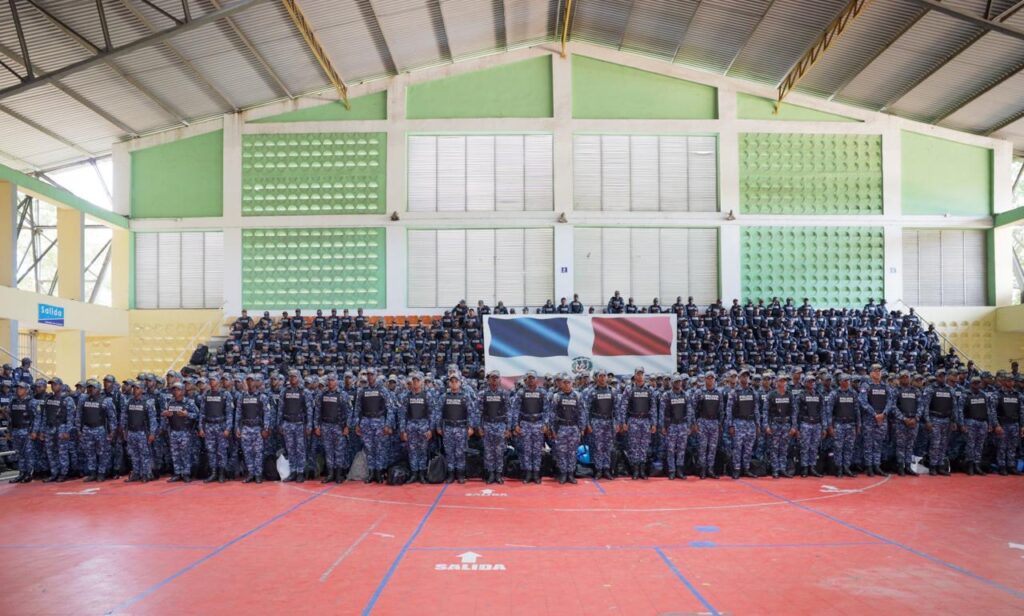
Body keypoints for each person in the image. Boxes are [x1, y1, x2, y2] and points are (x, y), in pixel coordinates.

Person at [352, 367, 395, 485]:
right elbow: (357, 409)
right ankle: (371, 473)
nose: (370, 376)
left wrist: (387, 424)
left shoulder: (382, 390)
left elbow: (390, 409)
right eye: (368, 375)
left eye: (372, 374)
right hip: (366, 422)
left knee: (379, 448)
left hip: (379, 422)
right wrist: (357, 424)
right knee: (369, 449)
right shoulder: (362, 391)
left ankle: (379, 473)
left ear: (376, 375)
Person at [435, 374, 477, 484]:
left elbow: (471, 412)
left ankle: (460, 474)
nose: (454, 384)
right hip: (448, 428)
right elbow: (438, 412)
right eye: (452, 381)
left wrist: (471, 427)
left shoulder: (465, 397)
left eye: (456, 381)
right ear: (449, 383)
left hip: (461, 428)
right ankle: (451, 474)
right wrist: (438, 426)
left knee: (460, 452)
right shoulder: (443, 397)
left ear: (460, 383)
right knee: (449, 452)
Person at [616, 367, 657, 479]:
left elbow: (653, 408)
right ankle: (635, 470)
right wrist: (623, 422)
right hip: (633, 420)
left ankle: (642, 470)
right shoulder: (629, 389)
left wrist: (654, 423)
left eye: (641, 374)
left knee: (644, 446)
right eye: (638, 374)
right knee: (633, 446)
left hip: (645, 420)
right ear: (634, 375)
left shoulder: (650, 390)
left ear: (644, 375)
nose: (640, 376)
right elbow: (623, 407)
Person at [545, 373, 586, 484]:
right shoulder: (556, 397)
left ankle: (570, 474)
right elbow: (552, 414)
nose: (567, 385)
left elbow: (582, 412)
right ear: (561, 384)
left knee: (572, 452)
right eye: (565, 383)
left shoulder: (577, 396)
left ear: (572, 383)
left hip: (574, 428)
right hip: (561, 428)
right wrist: (552, 429)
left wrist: (582, 428)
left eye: (569, 382)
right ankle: (563, 474)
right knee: (561, 452)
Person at [920, 369, 960, 476]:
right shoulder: (930, 389)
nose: (942, 378)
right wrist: (927, 420)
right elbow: (925, 406)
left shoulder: (950, 389)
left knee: (944, 444)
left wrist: (954, 421)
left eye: (944, 376)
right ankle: (933, 466)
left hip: (947, 420)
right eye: (940, 376)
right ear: (936, 377)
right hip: (934, 419)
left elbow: (954, 406)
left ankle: (940, 465)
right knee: (935, 444)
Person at [315, 373, 352, 484]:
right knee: (328, 451)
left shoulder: (343, 395)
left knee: (339, 451)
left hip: (338, 426)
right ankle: (330, 474)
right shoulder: (322, 394)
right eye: (329, 380)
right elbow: (317, 411)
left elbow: (349, 412)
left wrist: (347, 426)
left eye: (332, 380)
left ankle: (338, 474)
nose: (330, 382)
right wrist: (317, 426)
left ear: (336, 381)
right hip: (325, 425)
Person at [76, 380, 116, 482]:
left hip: (100, 429)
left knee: (102, 452)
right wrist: (78, 429)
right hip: (87, 429)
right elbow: (79, 415)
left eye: (93, 387)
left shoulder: (106, 401)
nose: (90, 389)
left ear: (98, 389)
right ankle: (92, 473)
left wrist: (112, 432)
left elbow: (112, 417)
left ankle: (101, 473)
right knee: (89, 452)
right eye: (89, 387)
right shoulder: (83, 400)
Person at [477, 370, 513, 485]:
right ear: (488, 380)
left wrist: (508, 428)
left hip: (500, 425)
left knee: (499, 451)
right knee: (488, 451)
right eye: (492, 378)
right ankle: (491, 473)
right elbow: (478, 412)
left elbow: (508, 412)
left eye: (496, 378)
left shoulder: (504, 394)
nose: (494, 380)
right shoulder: (483, 394)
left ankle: (498, 474)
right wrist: (479, 427)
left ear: (499, 380)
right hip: (487, 425)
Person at [397, 372, 433, 484]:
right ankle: (414, 473)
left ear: (422, 382)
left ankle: (422, 474)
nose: (415, 383)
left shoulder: (427, 396)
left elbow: (432, 414)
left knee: (423, 451)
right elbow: (402, 415)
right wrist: (403, 430)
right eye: (414, 381)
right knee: (412, 451)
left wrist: (430, 429)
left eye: (417, 381)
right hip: (410, 426)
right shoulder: (406, 396)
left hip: (423, 426)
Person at [859, 364, 894, 477]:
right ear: (870, 373)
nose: (878, 373)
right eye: (875, 371)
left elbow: (890, 401)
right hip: (870, 419)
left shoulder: (885, 386)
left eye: (879, 371)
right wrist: (875, 414)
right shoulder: (866, 386)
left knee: (879, 444)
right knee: (868, 444)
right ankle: (869, 467)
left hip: (882, 418)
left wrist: (884, 413)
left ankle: (877, 466)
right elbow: (863, 402)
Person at [726, 369, 761, 479]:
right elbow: (729, 410)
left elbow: (756, 410)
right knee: (737, 447)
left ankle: (746, 468)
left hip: (750, 423)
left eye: (747, 376)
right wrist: (730, 425)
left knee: (749, 448)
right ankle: (737, 469)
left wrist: (757, 424)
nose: (745, 378)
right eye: (743, 376)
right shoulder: (734, 392)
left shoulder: (753, 392)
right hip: (738, 422)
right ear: (739, 378)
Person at [583, 369, 619, 480]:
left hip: (609, 422)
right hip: (596, 421)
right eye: (600, 376)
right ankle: (598, 469)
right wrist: (587, 424)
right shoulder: (591, 392)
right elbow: (586, 409)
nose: (603, 378)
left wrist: (617, 422)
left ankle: (606, 469)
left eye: (604, 376)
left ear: (607, 377)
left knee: (608, 446)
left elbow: (617, 408)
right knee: (598, 447)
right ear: (597, 378)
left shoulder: (613, 391)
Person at [512, 371, 547, 484]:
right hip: (525, 424)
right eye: (529, 378)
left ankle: (536, 473)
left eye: (533, 378)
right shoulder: (521, 393)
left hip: (538, 424)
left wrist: (545, 424)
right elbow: (515, 409)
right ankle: (527, 473)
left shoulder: (542, 392)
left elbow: (547, 409)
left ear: (537, 380)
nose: (531, 380)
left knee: (537, 450)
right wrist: (515, 425)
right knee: (526, 450)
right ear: (526, 380)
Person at [279, 369, 313, 483]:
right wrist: (280, 423)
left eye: (294, 376)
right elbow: (281, 409)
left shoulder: (305, 392)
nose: (292, 378)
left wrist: (309, 425)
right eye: (290, 376)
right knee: (290, 449)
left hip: (300, 424)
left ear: (298, 377)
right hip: (287, 423)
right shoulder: (284, 391)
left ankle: (300, 472)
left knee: (300, 449)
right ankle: (293, 471)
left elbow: (309, 410)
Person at [199, 376, 233, 483]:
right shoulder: (206, 395)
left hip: (221, 425)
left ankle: (222, 473)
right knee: (210, 451)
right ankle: (213, 473)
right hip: (209, 425)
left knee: (221, 451)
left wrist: (228, 428)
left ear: (218, 382)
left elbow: (229, 413)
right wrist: (201, 428)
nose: (211, 382)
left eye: (213, 380)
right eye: (210, 380)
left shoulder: (225, 394)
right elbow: (202, 413)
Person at [122, 381, 157, 483]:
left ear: (142, 390)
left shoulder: (147, 403)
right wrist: (124, 430)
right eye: (134, 388)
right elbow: (124, 417)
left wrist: (152, 433)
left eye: (137, 388)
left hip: (142, 432)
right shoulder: (129, 402)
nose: (134, 390)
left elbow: (152, 419)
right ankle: (136, 474)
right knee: (133, 455)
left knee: (144, 455)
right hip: (131, 432)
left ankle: (146, 474)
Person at [961, 376, 997, 476]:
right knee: (970, 445)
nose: (976, 385)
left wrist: (989, 423)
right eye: (974, 383)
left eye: (978, 383)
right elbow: (960, 410)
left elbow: (988, 410)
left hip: (982, 422)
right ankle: (970, 465)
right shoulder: (965, 395)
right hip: (970, 421)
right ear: (971, 384)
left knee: (980, 445)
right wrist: (962, 424)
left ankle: (977, 465)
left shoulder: (983, 395)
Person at [162, 383, 197, 483]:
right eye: (174, 390)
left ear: (182, 391)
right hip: (174, 431)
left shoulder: (188, 402)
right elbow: (165, 414)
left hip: (185, 431)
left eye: (178, 389)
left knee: (185, 454)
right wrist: (166, 414)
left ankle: (186, 474)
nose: (175, 391)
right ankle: (177, 473)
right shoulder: (170, 402)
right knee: (175, 454)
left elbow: (196, 415)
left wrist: (187, 414)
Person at [41, 377, 75, 483]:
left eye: (55, 384)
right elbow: (45, 416)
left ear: (61, 385)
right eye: (51, 384)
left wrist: (67, 431)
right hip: (49, 428)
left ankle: (63, 473)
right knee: (50, 452)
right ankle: (54, 473)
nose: (53, 386)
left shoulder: (67, 399)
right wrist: (42, 431)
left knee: (62, 452)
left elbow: (70, 417)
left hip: (62, 427)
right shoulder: (49, 399)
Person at [691, 372, 723, 479]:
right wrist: (694, 423)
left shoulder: (718, 393)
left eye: (712, 378)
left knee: (713, 447)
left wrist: (720, 423)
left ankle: (710, 469)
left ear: (714, 379)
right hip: (702, 421)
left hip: (714, 422)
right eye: (708, 378)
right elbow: (693, 409)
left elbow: (721, 410)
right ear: (705, 379)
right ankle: (702, 469)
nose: (710, 380)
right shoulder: (699, 392)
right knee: (702, 447)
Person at [763, 375, 797, 479]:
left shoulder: (790, 395)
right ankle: (775, 470)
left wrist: (794, 426)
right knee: (774, 448)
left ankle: (782, 468)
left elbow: (794, 412)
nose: (783, 383)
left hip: (786, 424)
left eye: (784, 381)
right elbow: (765, 411)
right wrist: (766, 425)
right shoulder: (771, 395)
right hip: (775, 424)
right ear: (776, 382)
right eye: (780, 381)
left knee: (784, 448)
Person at [660, 374, 692, 480]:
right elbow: (662, 412)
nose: (678, 383)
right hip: (671, 425)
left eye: (679, 381)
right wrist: (662, 426)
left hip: (682, 425)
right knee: (670, 449)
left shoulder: (686, 395)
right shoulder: (666, 395)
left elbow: (689, 411)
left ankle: (679, 470)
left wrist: (689, 425)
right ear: (672, 383)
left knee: (681, 449)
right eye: (676, 382)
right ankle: (671, 470)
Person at [795, 375, 826, 478]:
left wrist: (824, 427)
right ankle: (804, 467)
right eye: (809, 381)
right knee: (805, 447)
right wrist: (796, 427)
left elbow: (822, 412)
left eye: (813, 381)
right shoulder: (800, 396)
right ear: (804, 383)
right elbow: (796, 413)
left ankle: (812, 467)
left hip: (817, 424)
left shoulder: (819, 395)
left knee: (814, 447)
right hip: (805, 423)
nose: (812, 383)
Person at [7, 381, 38, 483]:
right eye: (17, 388)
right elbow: (10, 417)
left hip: (27, 431)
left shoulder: (32, 402)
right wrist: (9, 431)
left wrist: (34, 431)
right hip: (16, 431)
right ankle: (21, 473)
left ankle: (29, 474)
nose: (18, 390)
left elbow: (37, 418)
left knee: (28, 453)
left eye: (21, 388)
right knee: (19, 453)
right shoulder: (13, 401)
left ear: (27, 390)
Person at [892, 371, 921, 476]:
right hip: (901, 422)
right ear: (899, 379)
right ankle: (900, 467)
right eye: (903, 377)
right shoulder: (896, 391)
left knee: (910, 445)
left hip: (913, 421)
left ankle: (908, 466)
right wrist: (904, 418)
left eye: (907, 377)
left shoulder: (916, 391)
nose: (905, 379)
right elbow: (893, 406)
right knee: (900, 445)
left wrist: (916, 418)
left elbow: (921, 406)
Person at [993, 373, 1021, 476]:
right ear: (1004, 381)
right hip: (1003, 424)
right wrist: (996, 425)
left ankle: (1011, 466)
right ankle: (1001, 466)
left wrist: (1022, 426)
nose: (1011, 382)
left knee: (1012, 446)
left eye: (1013, 381)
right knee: (1002, 446)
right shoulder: (997, 394)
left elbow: (1021, 411)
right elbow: (993, 411)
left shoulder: (1018, 395)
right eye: (1009, 380)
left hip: (1014, 423)